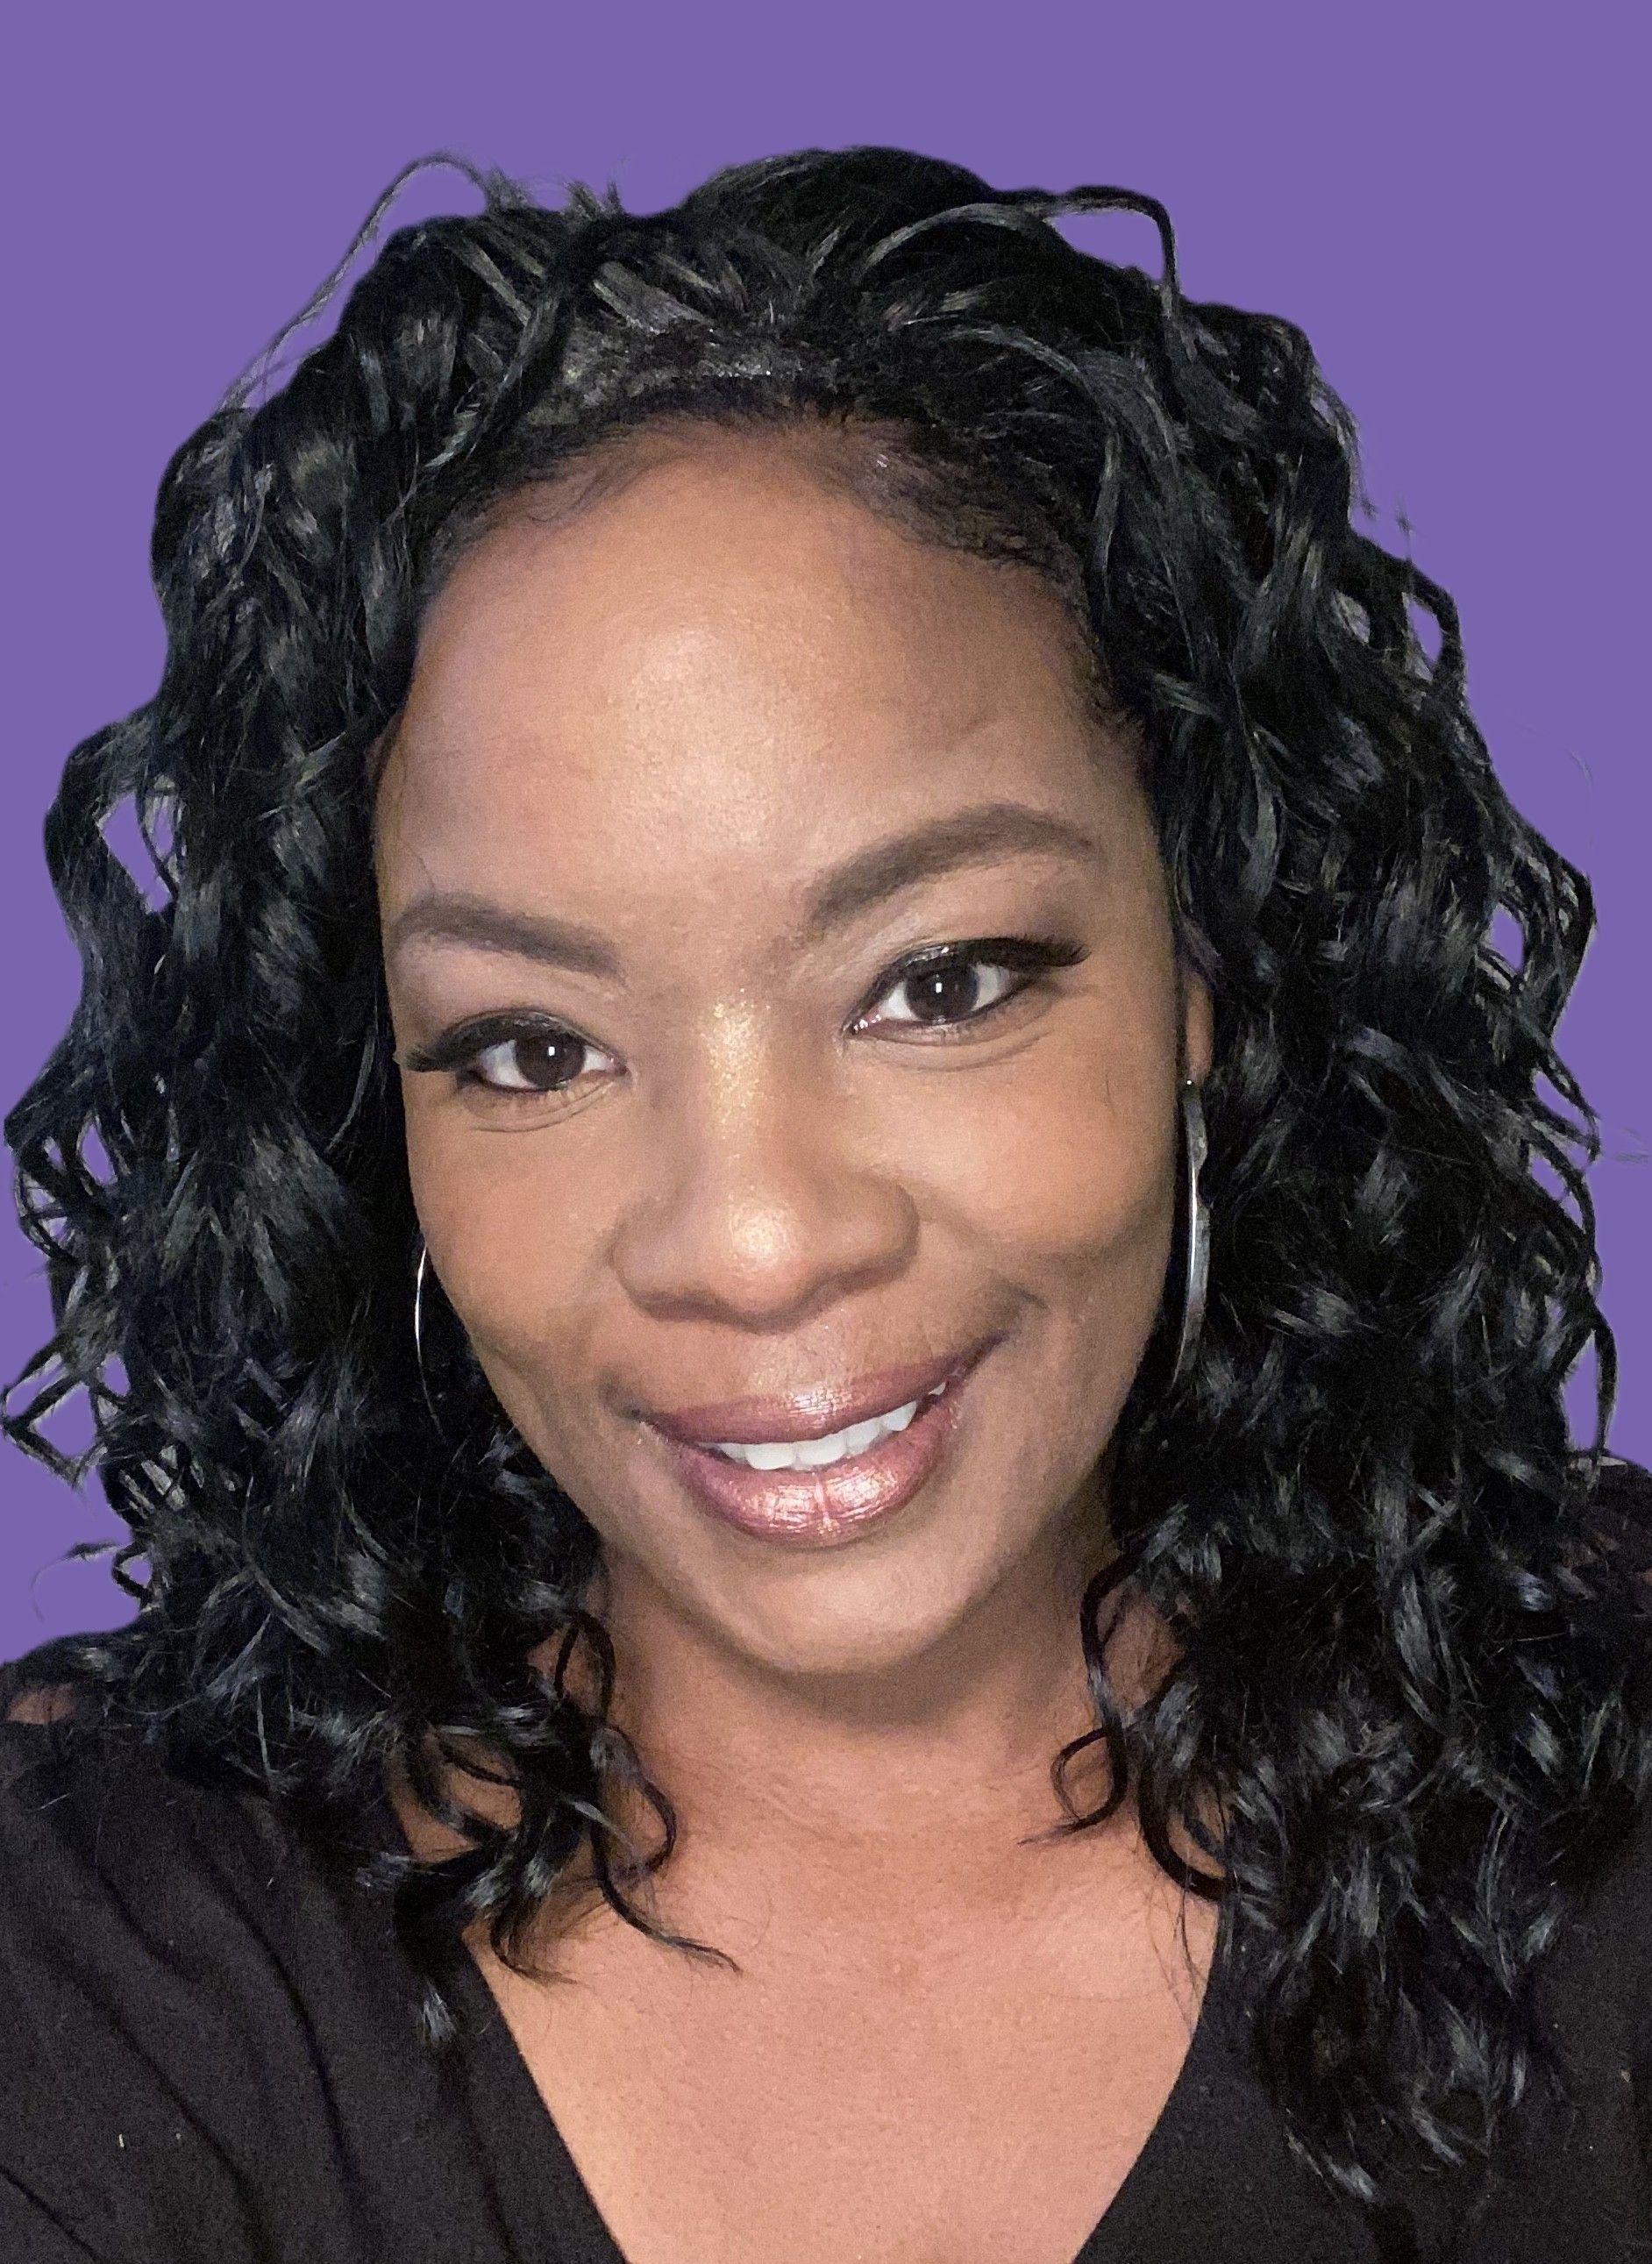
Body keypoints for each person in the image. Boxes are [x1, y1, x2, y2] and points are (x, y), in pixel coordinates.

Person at [0, 143, 1648, 2264]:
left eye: (937, 982)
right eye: (528, 1046)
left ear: (1205, 966)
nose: (757, 1238)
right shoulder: (95, 1974)